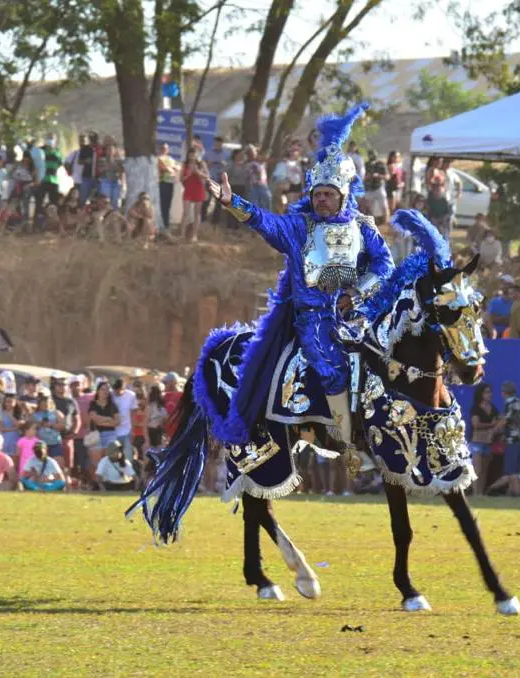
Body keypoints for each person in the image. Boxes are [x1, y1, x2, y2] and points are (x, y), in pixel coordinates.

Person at [208, 103, 394, 466]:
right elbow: (265, 221)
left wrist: (357, 293)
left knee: (390, 362)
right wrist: (233, 203)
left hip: (357, 315)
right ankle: (346, 444)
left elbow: (384, 264)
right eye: (317, 194)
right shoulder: (299, 228)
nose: (321, 199)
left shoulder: (363, 227)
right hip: (312, 318)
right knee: (331, 367)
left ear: (342, 194)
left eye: (328, 194)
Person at [469, 384, 502, 495]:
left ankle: (480, 493)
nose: (490, 394)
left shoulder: (493, 408)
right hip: (477, 442)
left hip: (488, 442)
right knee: (477, 469)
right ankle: (475, 492)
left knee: (484, 471)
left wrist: (496, 425)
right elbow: (476, 424)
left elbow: (498, 421)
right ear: (481, 394)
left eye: (490, 392)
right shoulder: (476, 408)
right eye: (487, 392)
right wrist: (491, 425)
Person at [180, 147, 209, 242]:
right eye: (191, 154)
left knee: (197, 213)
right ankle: (182, 234)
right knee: (185, 213)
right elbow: (181, 179)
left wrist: (198, 172)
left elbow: (207, 176)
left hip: (199, 189)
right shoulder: (184, 165)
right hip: (188, 189)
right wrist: (189, 174)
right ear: (188, 155)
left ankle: (194, 235)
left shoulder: (202, 164)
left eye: (194, 154)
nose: (192, 156)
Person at [156, 143, 178, 231]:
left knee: (167, 205)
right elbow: (163, 168)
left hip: (170, 183)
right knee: (162, 205)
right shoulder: (158, 158)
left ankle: (166, 224)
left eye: (166, 148)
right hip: (162, 183)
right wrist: (171, 168)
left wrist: (171, 169)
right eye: (162, 148)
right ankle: (161, 224)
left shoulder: (171, 159)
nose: (164, 150)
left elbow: (177, 168)